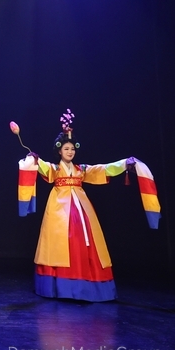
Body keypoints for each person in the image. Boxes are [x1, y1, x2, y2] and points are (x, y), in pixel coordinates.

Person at [19, 110, 139, 302]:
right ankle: (60, 287)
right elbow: (42, 166)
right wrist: (34, 159)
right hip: (59, 210)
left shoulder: (81, 170)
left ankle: (87, 287)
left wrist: (124, 164)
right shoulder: (55, 169)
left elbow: (102, 169)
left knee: (86, 243)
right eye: (66, 149)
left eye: (72, 149)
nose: (70, 152)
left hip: (82, 210)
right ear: (59, 151)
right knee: (60, 244)